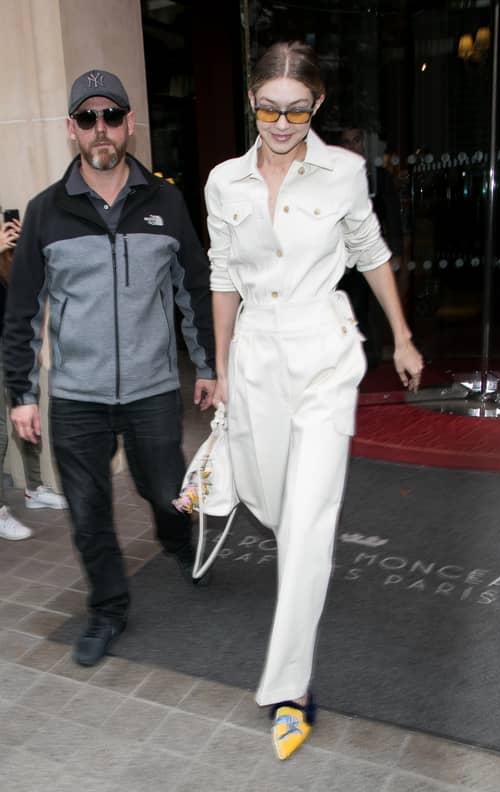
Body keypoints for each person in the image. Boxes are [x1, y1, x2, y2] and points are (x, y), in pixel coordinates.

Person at [205, 41, 423, 760]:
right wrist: (223, 368)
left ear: (318, 105)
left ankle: (288, 689)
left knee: (308, 522)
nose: (282, 122)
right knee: (271, 503)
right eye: (269, 107)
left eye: (297, 109)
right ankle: (292, 622)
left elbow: (371, 251)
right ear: (251, 102)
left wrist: (401, 336)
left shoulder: (345, 173)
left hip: (326, 349)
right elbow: (222, 277)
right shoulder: (224, 183)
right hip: (257, 356)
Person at [3, 70, 216, 666]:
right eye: (89, 118)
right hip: (76, 395)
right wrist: (22, 393)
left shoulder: (166, 202)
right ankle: (107, 609)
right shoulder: (47, 213)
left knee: (167, 491)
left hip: (150, 388)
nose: (102, 128)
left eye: (113, 116)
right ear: (72, 129)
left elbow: (194, 289)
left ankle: (177, 539)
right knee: (89, 512)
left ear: (128, 125)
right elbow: (21, 312)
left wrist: (207, 365)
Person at [0, 220, 66, 541]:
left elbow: (31, 297)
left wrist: (31, 248)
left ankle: (35, 489)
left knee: (29, 420)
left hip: (15, 348)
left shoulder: (13, 257)